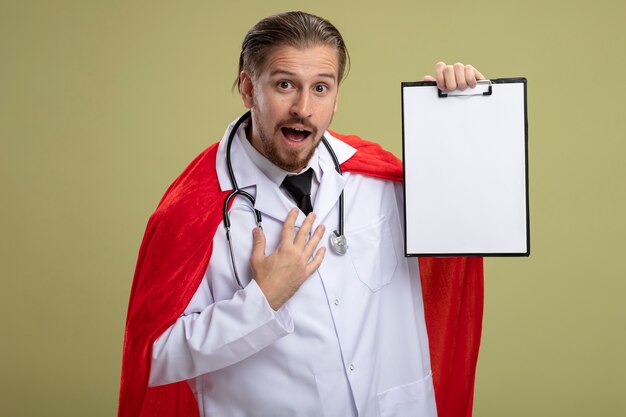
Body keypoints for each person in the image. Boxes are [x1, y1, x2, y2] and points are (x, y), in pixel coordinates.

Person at [118, 11, 484, 417]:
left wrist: (456, 118)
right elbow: (152, 358)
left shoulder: (380, 180)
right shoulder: (192, 209)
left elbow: (469, 220)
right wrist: (261, 301)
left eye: (321, 88)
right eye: (285, 85)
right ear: (247, 87)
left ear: (336, 96)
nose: (303, 108)